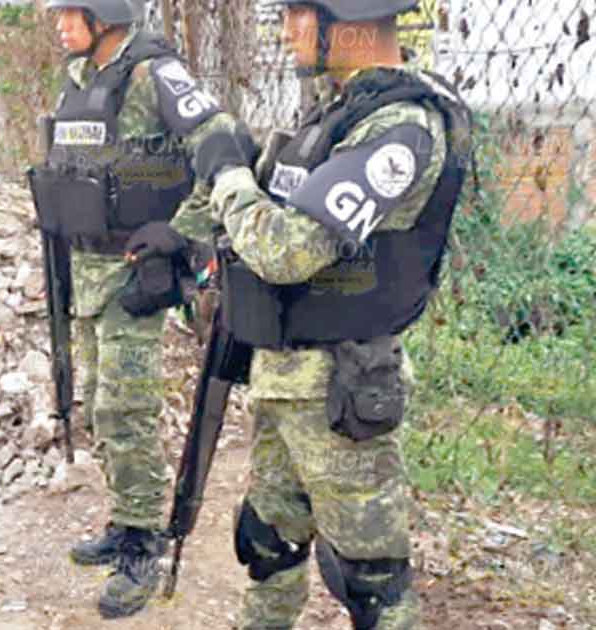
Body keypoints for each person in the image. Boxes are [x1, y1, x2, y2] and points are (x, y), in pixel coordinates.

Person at [179, 1, 472, 627]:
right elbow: (275, 201)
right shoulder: (339, 112)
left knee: (371, 585)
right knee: (267, 546)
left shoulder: (401, 129)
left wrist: (229, 174)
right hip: (284, 377)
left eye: (299, 15)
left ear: (349, 19)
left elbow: (284, 250)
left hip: (342, 391)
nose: (286, 30)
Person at [29, 0, 219, 617]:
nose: (58, 25)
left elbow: (222, 147)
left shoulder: (155, 74)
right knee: (98, 402)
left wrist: (180, 232)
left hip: (136, 271)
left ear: (105, 15)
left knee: (126, 404)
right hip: (84, 269)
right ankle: (126, 517)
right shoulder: (80, 80)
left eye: (68, 13)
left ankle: (144, 541)